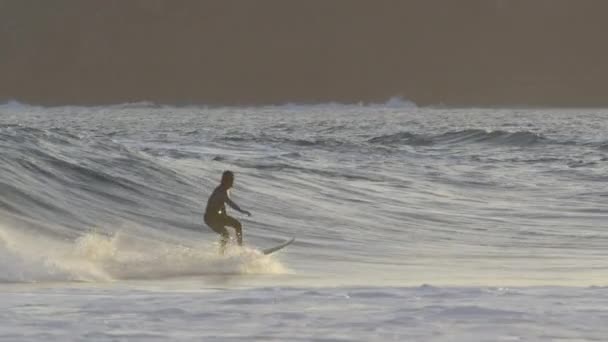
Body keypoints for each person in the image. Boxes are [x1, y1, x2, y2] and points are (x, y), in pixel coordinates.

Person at [204, 170, 251, 254]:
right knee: (225, 234)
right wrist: (241, 211)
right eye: (231, 180)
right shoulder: (221, 191)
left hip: (219, 217)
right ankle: (221, 254)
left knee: (237, 225)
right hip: (210, 218)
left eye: (232, 179)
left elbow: (222, 205)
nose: (232, 182)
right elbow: (230, 203)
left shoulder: (225, 189)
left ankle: (240, 249)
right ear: (225, 180)